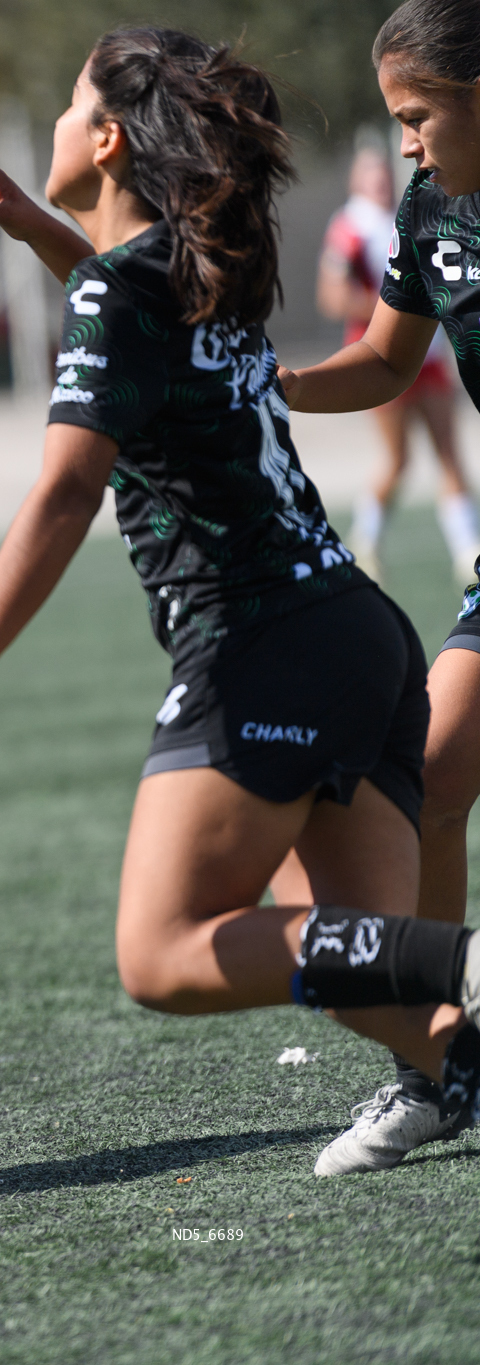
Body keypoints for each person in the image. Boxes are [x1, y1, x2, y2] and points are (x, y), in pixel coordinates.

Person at [0, 27, 480, 1177]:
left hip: (261, 641)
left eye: (65, 108)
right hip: (359, 637)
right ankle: (453, 1061)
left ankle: (457, 968)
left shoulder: (142, 284)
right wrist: (28, 226)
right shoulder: (200, 270)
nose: (52, 128)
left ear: (103, 139)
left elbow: (64, 489)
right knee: (359, 969)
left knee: (160, 955)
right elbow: (124, 304)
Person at [277, 0, 480, 1173]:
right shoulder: (428, 209)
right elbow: (387, 359)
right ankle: (442, 1064)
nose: (403, 140)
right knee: (432, 775)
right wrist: (271, 384)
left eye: (417, 116)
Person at [318, 141, 478, 585]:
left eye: (382, 173)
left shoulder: (419, 207)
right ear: (356, 178)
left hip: (432, 357)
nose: (382, 179)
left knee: (450, 456)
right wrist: (396, 303)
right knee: (398, 459)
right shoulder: (349, 225)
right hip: (382, 353)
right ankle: (364, 544)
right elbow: (331, 294)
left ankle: (468, 552)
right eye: (371, 173)